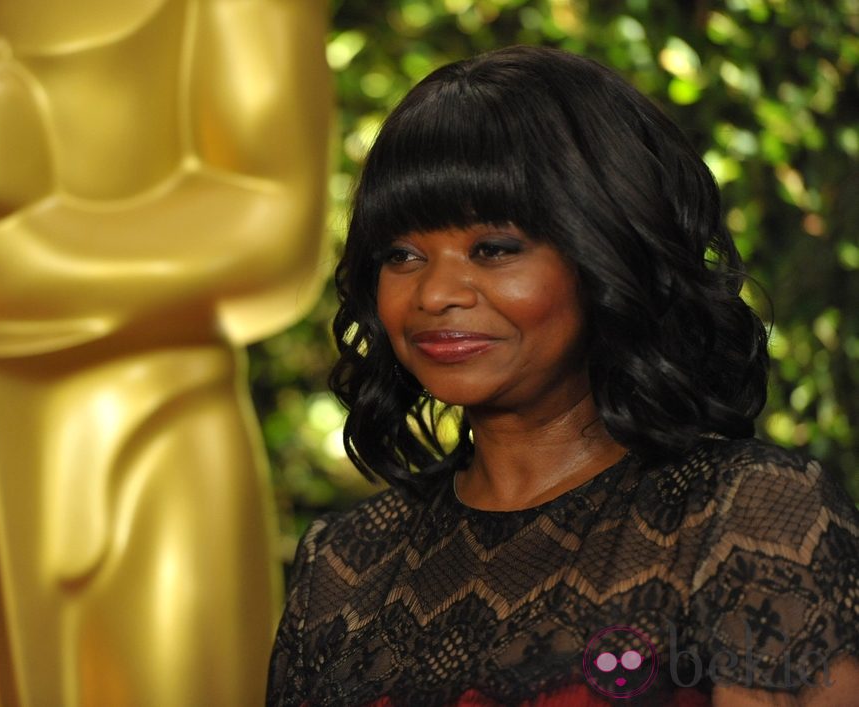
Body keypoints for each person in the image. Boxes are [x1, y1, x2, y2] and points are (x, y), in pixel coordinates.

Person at [266, 46, 859, 706]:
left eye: (493, 249)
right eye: (402, 254)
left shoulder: (743, 513)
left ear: (604, 255)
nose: (433, 294)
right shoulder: (345, 564)